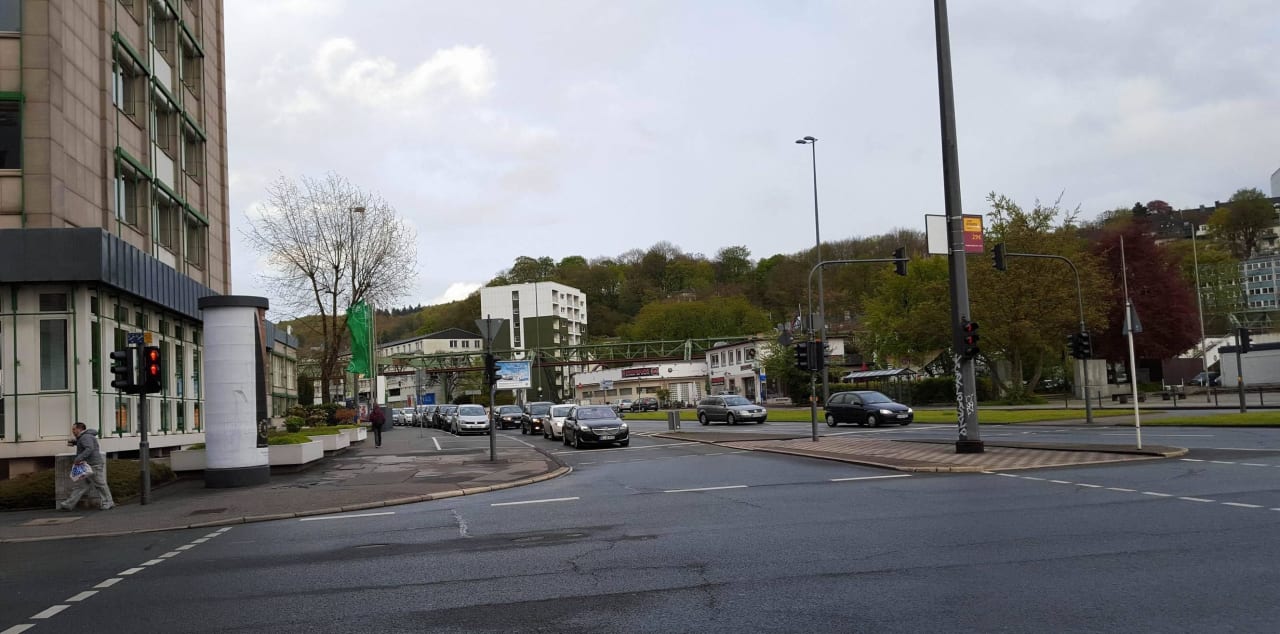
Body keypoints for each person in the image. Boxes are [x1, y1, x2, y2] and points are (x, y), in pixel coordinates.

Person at [57, 422, 114, 511]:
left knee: (100, 485)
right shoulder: (84, 437)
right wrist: (76, 443)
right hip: (88, 465)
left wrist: (78, 458)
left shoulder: (85, 437)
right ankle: (68, 504)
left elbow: (89, 448)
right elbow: (87, 445)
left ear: (79, 429)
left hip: (93, 465)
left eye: (74, 429)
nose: (73, 431)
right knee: (80, 486)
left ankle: (108, 502)